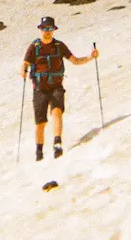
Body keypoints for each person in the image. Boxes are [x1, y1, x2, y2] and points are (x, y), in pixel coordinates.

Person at [20, 16, 99, 161]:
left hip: (56, 86)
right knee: (41, 122)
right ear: (40, 29)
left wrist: (90, 57)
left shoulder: (59, 46)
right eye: (44, 29)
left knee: (57, 112)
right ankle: (39, 151)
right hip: (40, 88)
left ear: (54, 30)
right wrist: (24, 70)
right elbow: (25, 63)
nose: (47, 32)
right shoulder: (34, 47)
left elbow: (74, 60)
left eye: (50, 29)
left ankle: (57, 143)